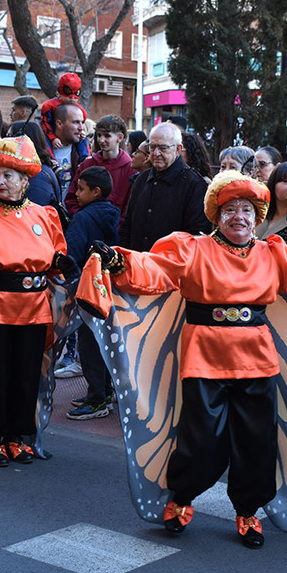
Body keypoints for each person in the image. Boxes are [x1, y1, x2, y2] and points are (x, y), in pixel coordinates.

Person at [83, 171, 287, 548]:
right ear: (217, 216)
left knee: (257, 443)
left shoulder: (272, 253)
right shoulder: (192, 248)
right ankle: (182, 498)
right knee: (200, 440)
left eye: (246, 209)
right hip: (204, 358)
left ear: (257, 217)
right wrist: (118, 261)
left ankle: (248, 511)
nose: (238, 216)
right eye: (229, 210)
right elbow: (154, 269)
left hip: (257, 359)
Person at [0, 135, 75, 467]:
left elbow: (55, 260)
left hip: (35, 307)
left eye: (8, 176)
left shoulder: (44, 216)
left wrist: (62, 264)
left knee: (26, 374)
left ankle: (18, 436)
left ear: (24, 180)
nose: (0, 182)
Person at [63, 166, 120, 420]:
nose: (76, 193)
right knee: (107, 343)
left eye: (81, 189)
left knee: (89, 345)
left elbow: (72, 254)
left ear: (95, 192)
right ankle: (105, 393)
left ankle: (97, 399)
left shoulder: (82, 218)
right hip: (114, 289)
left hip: (88, 291)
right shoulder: (117, 214)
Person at [120, 122, 211, 252]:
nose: (156, 153)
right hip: (138, 265)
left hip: (172, 268)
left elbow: (196, 238)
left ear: (178, 149)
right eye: (152, 147)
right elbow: (127, 226)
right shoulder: (141, 179)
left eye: (163, 148)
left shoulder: (194, 184)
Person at [65, 115, 137, 218]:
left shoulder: (131, 169)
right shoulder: (87, 165)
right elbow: (71, 199)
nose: (101, 140)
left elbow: (129, 208)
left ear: (120, 137)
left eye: (107, 136)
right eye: (99, 135)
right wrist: (83, 218)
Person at [9, 120, 61, 210]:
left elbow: (32, 215)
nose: (4, 141)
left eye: (10, 136)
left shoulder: (37, 176)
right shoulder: (32, 172)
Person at [51, 103, 88, 194]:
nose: (81, 128)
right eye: (76, 122)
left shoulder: (81, 153)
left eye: (82, 122)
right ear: (59, 124)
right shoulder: (43, 151)